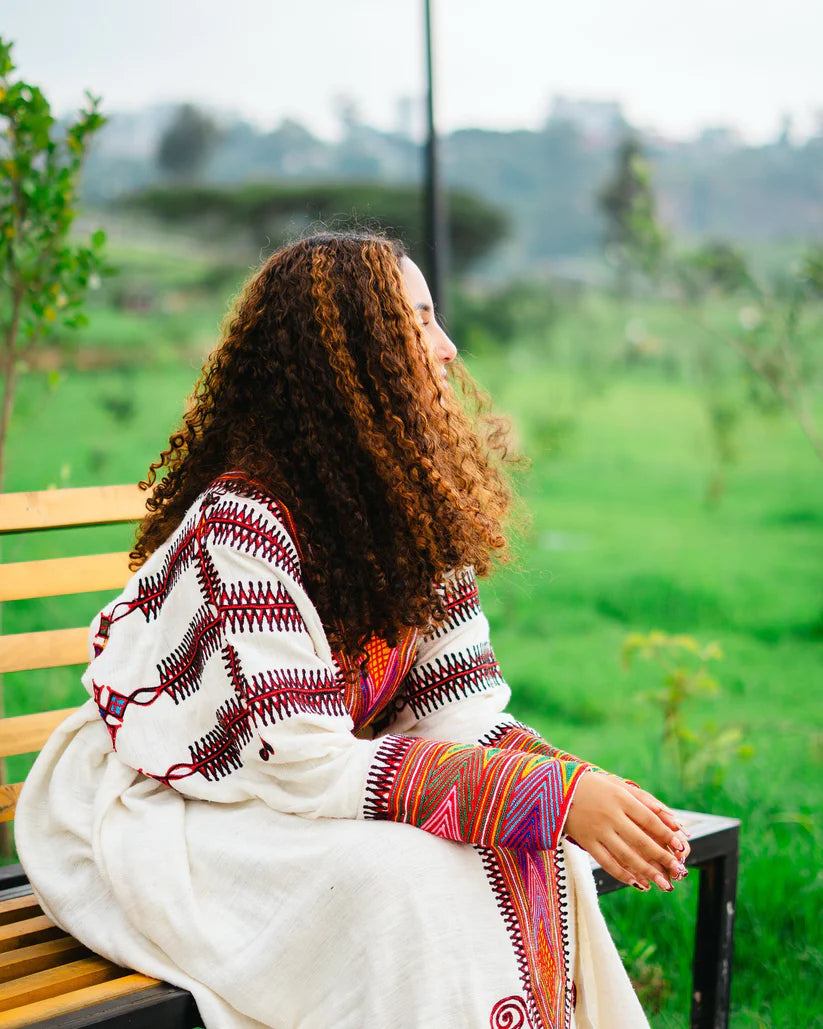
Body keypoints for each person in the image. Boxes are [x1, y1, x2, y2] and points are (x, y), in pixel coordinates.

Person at [16, 231, 690, 1029]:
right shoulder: (243, 526)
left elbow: (462, 716)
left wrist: (577, 787)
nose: (445, 348)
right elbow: (299, 766)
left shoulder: (411, 511)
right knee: (404, 880)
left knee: (522, 843)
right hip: (167, 805)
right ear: (350, 358)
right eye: (418, 322)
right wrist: (548, 793)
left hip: (284, 792)